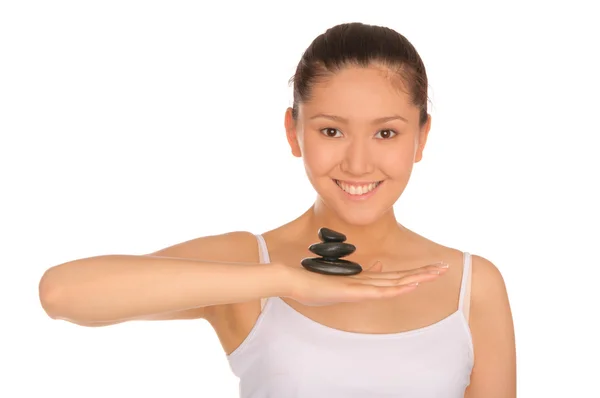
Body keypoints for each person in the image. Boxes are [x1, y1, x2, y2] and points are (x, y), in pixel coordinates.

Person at [38, 22, 516, 397]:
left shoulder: (472, 286)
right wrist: (285, 280)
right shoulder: (251, 263)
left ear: (421, 137)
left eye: (386, 132)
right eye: (331, 131)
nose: (357, 162)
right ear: (294, 131)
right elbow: (62, 294)